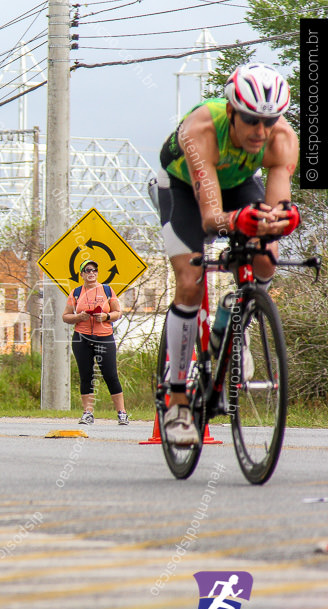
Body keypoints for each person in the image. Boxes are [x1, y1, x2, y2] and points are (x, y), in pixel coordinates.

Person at [155, 62, 300, 444]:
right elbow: (211, 219)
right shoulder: (201, 129)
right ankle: (178, 401)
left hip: (237, 184)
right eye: (251, 119)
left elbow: (276, 208)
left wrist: (277, 220)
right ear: (232, 111)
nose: (260, 131)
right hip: (184, 189)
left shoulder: (283, 138)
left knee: (267, 253)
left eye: (269, 120)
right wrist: (243, 220)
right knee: (189, 278)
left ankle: (237, 320)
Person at [61, 256, 128, 426]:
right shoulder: (76, 292)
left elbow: (118, 312)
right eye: (87, 270)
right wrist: (78, 317)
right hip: (82, 338)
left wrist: (106, 316)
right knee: (86, 376)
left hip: (104, 337)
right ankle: (88, 413)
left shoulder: (107, 290)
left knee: (110, 375)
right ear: (82, 274)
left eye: (94, 270)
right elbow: (65, 316)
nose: (91, 273)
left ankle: (122, 413)